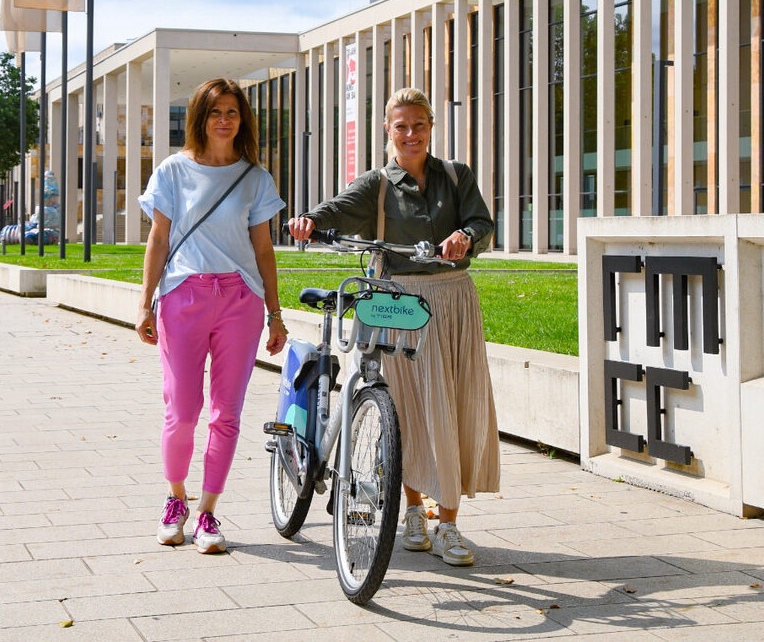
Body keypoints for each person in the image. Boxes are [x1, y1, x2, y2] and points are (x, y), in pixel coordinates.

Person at [286, 87, 500, 567]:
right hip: (397, 301)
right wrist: (306, 222)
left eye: (418, 125)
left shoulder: (456, 176)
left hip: (452, 302)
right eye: (400, 126)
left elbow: (483, 222)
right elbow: (334, 210)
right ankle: (411, 513)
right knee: (406, 410)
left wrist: (465, 236)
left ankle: (448, 523)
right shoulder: (377, 184)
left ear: (430, 127)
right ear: (388, 129)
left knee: (454, 406)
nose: (410, 134)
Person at [137, 78, 289, 554]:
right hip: (184, 295)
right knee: (182, 411)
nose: (224, 120)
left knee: (227, 414)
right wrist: (145, 303)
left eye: (233, 112)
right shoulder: (172, 171)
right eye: (215, 111)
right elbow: (159, 240)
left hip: (240, 300)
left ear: (242, 119)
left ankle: (207, 512)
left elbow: (264, 249)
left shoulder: (255, 178)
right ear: (200, 117)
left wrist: (275, 314)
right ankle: (175, 498)